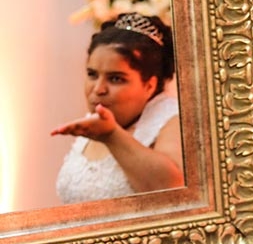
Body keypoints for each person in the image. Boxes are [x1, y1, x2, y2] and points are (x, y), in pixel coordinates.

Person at [52, 12, 183, 204]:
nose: (98, 89)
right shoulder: (93, 122)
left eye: (115, 79)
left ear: (150, 85)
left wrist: (112, 136)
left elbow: (173, 194)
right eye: (92, 74)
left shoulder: (172, 119)